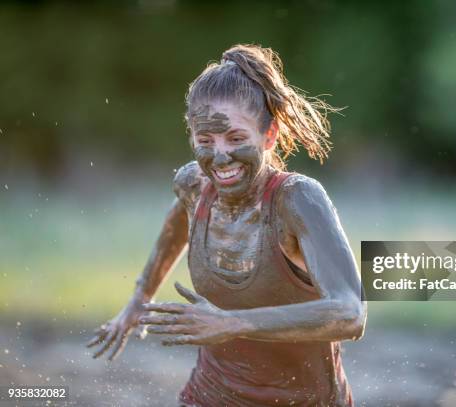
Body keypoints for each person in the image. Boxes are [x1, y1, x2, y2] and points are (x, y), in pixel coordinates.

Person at [86, 43, 366, 406]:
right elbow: (177, 223)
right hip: (211, 395)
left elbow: (350, 313)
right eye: (205, 141)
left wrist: (232, 323)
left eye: (236, 139)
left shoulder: (297, 200)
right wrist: (140, 297)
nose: (219, 156)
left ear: (270, 136)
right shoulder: (192, 186)